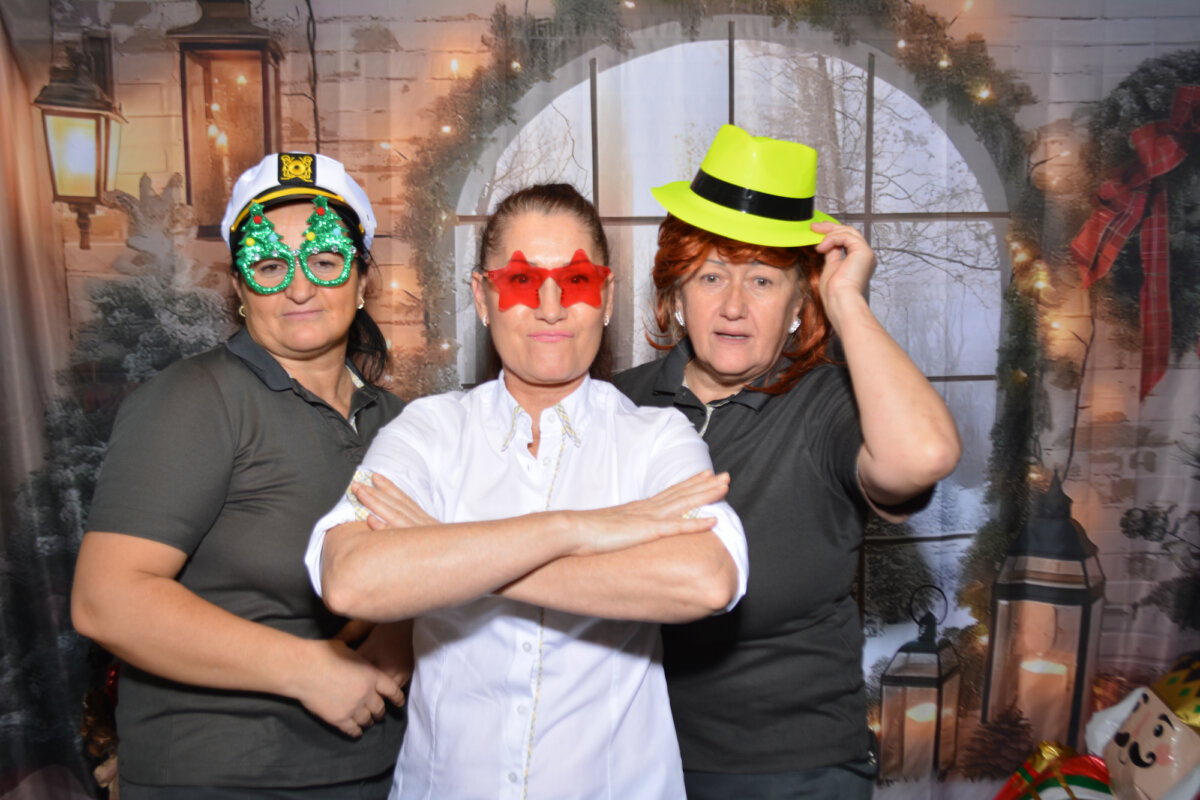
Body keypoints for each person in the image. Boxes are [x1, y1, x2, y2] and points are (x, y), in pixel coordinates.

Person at [304, 183, 750, 800]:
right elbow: (352, 578)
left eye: (576, 281)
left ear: (607, 297)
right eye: (520, 281)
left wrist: (449, 552)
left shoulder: (657, 437)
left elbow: (706, 580)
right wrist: (576, 529)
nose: (550, 308)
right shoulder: (428, 430)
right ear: (482, 298)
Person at [614, 124, 963, 799]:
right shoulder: (618, 403)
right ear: (675, 294)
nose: (734, 305)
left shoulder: (830, 404)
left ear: (801, 302)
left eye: (763, 280)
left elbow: (924, 455)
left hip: (794, 770)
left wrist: (847, 301)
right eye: (710, 275)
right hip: (634, 757)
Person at [72, 153, 409, 799]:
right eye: (270, 264)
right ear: (240, 287)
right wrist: (309, 669)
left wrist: (403, 634)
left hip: (378, 774)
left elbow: (421, 571)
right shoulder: (197, 400)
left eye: (326, 260)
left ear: (364, 278)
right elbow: (105, 599)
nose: (300, 288)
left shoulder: (398, 421)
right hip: (222, 779)